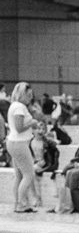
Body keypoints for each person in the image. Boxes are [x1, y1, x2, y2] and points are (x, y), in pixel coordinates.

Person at [7, 81, 42, 213]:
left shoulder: (14, 106)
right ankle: (22, 204)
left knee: (19, 176)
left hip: (14, 143)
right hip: (19, 143)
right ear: (22, 94)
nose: (30, 98)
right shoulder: (19, 108)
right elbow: (19, 127)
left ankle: (17, 203)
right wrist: (32, 122)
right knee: (29, 175)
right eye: (28, 95)